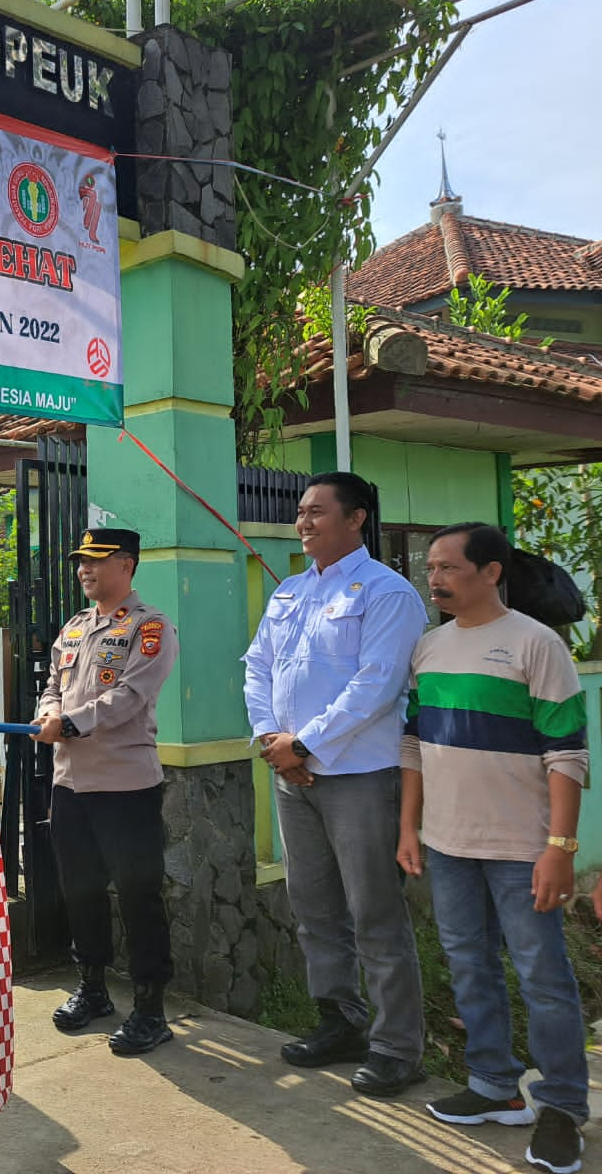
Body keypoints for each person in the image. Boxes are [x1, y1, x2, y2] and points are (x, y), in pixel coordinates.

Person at [398, 523, 588, 1173]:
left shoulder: (537, 646)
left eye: (449, 567)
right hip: (448, 844)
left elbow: (566, 755)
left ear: (491, 573)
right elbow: (415, 745)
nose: (436, 577)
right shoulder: (429, 648)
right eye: (431, 567)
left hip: (521, 847)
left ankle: (562, 1106)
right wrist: (408, 829)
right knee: (469, 964)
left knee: (542, 975)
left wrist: (559, 848)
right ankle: (493, 1086)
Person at [242, 471, 428, 1097]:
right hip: (294, 773)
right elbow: (258, 667)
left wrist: (306, 742)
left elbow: (375, 686)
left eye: (318, 512)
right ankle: (339, 1020)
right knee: (314, 907)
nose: (304, 522)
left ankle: (398, 1046)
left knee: (374, 912)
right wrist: (274, 739)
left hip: (358, 776)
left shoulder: (388, 592)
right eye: (301, 512)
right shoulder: (292, 590)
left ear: (357, 519)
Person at [30, 529, 179, 1056]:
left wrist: (68, 723)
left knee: (138, 896)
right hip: (71, 785)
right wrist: (49, 710)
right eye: (81, 563)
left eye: (96, 562)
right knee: (81, 891)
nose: (84, 571)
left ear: (126, 565)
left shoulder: (150, 627)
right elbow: (51, 683)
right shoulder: (73, 629)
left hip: (125, 787)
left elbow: (130, 697)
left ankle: (150, 1008)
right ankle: (92, 989)